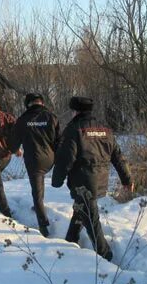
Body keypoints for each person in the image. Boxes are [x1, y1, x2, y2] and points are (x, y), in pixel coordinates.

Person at [52, 96, 133, 261]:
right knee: (81, 209)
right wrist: (127, 180)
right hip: (101, 179)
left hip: (82, 181)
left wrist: (57, 180)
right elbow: (118, 157)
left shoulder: (73, 129)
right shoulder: (105, 130)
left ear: (75, 111)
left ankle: (105, 254)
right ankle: (71, 239)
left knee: (90, 216)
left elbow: (65, 159)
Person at [8, 92, 60, 237]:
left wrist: (15, 150)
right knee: (40, 182)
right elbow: (59, 140)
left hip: (34, 160)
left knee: (36, 191)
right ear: (42, 103)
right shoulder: (52, 117)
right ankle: (39, 206)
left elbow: (13, 143)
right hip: (50, 159)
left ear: (28, 104)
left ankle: (43, 225)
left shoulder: (23, 119)